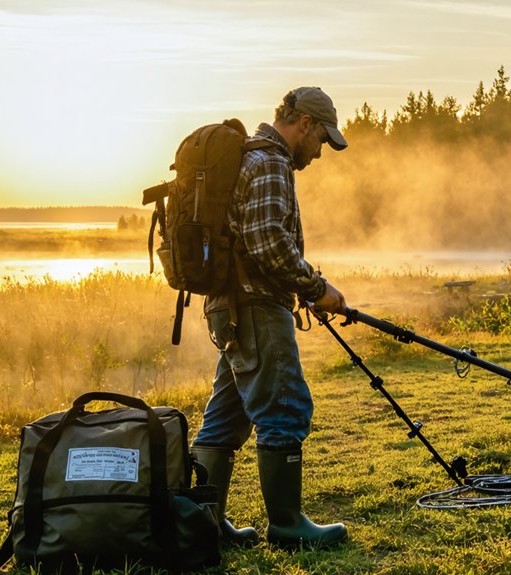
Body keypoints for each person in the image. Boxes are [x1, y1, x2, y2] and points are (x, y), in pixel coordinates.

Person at [190, 87, 350, 551]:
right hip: (256, 307)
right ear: (303, 123)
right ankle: (286, 524)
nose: (320, 153)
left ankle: (207, 522)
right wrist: (317, 288)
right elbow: (267, 242)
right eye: (322, 140)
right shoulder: (271, 162)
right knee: (283, 409)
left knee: (225, 416)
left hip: (231, 308)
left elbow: (255, 240)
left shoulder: (249, 159)